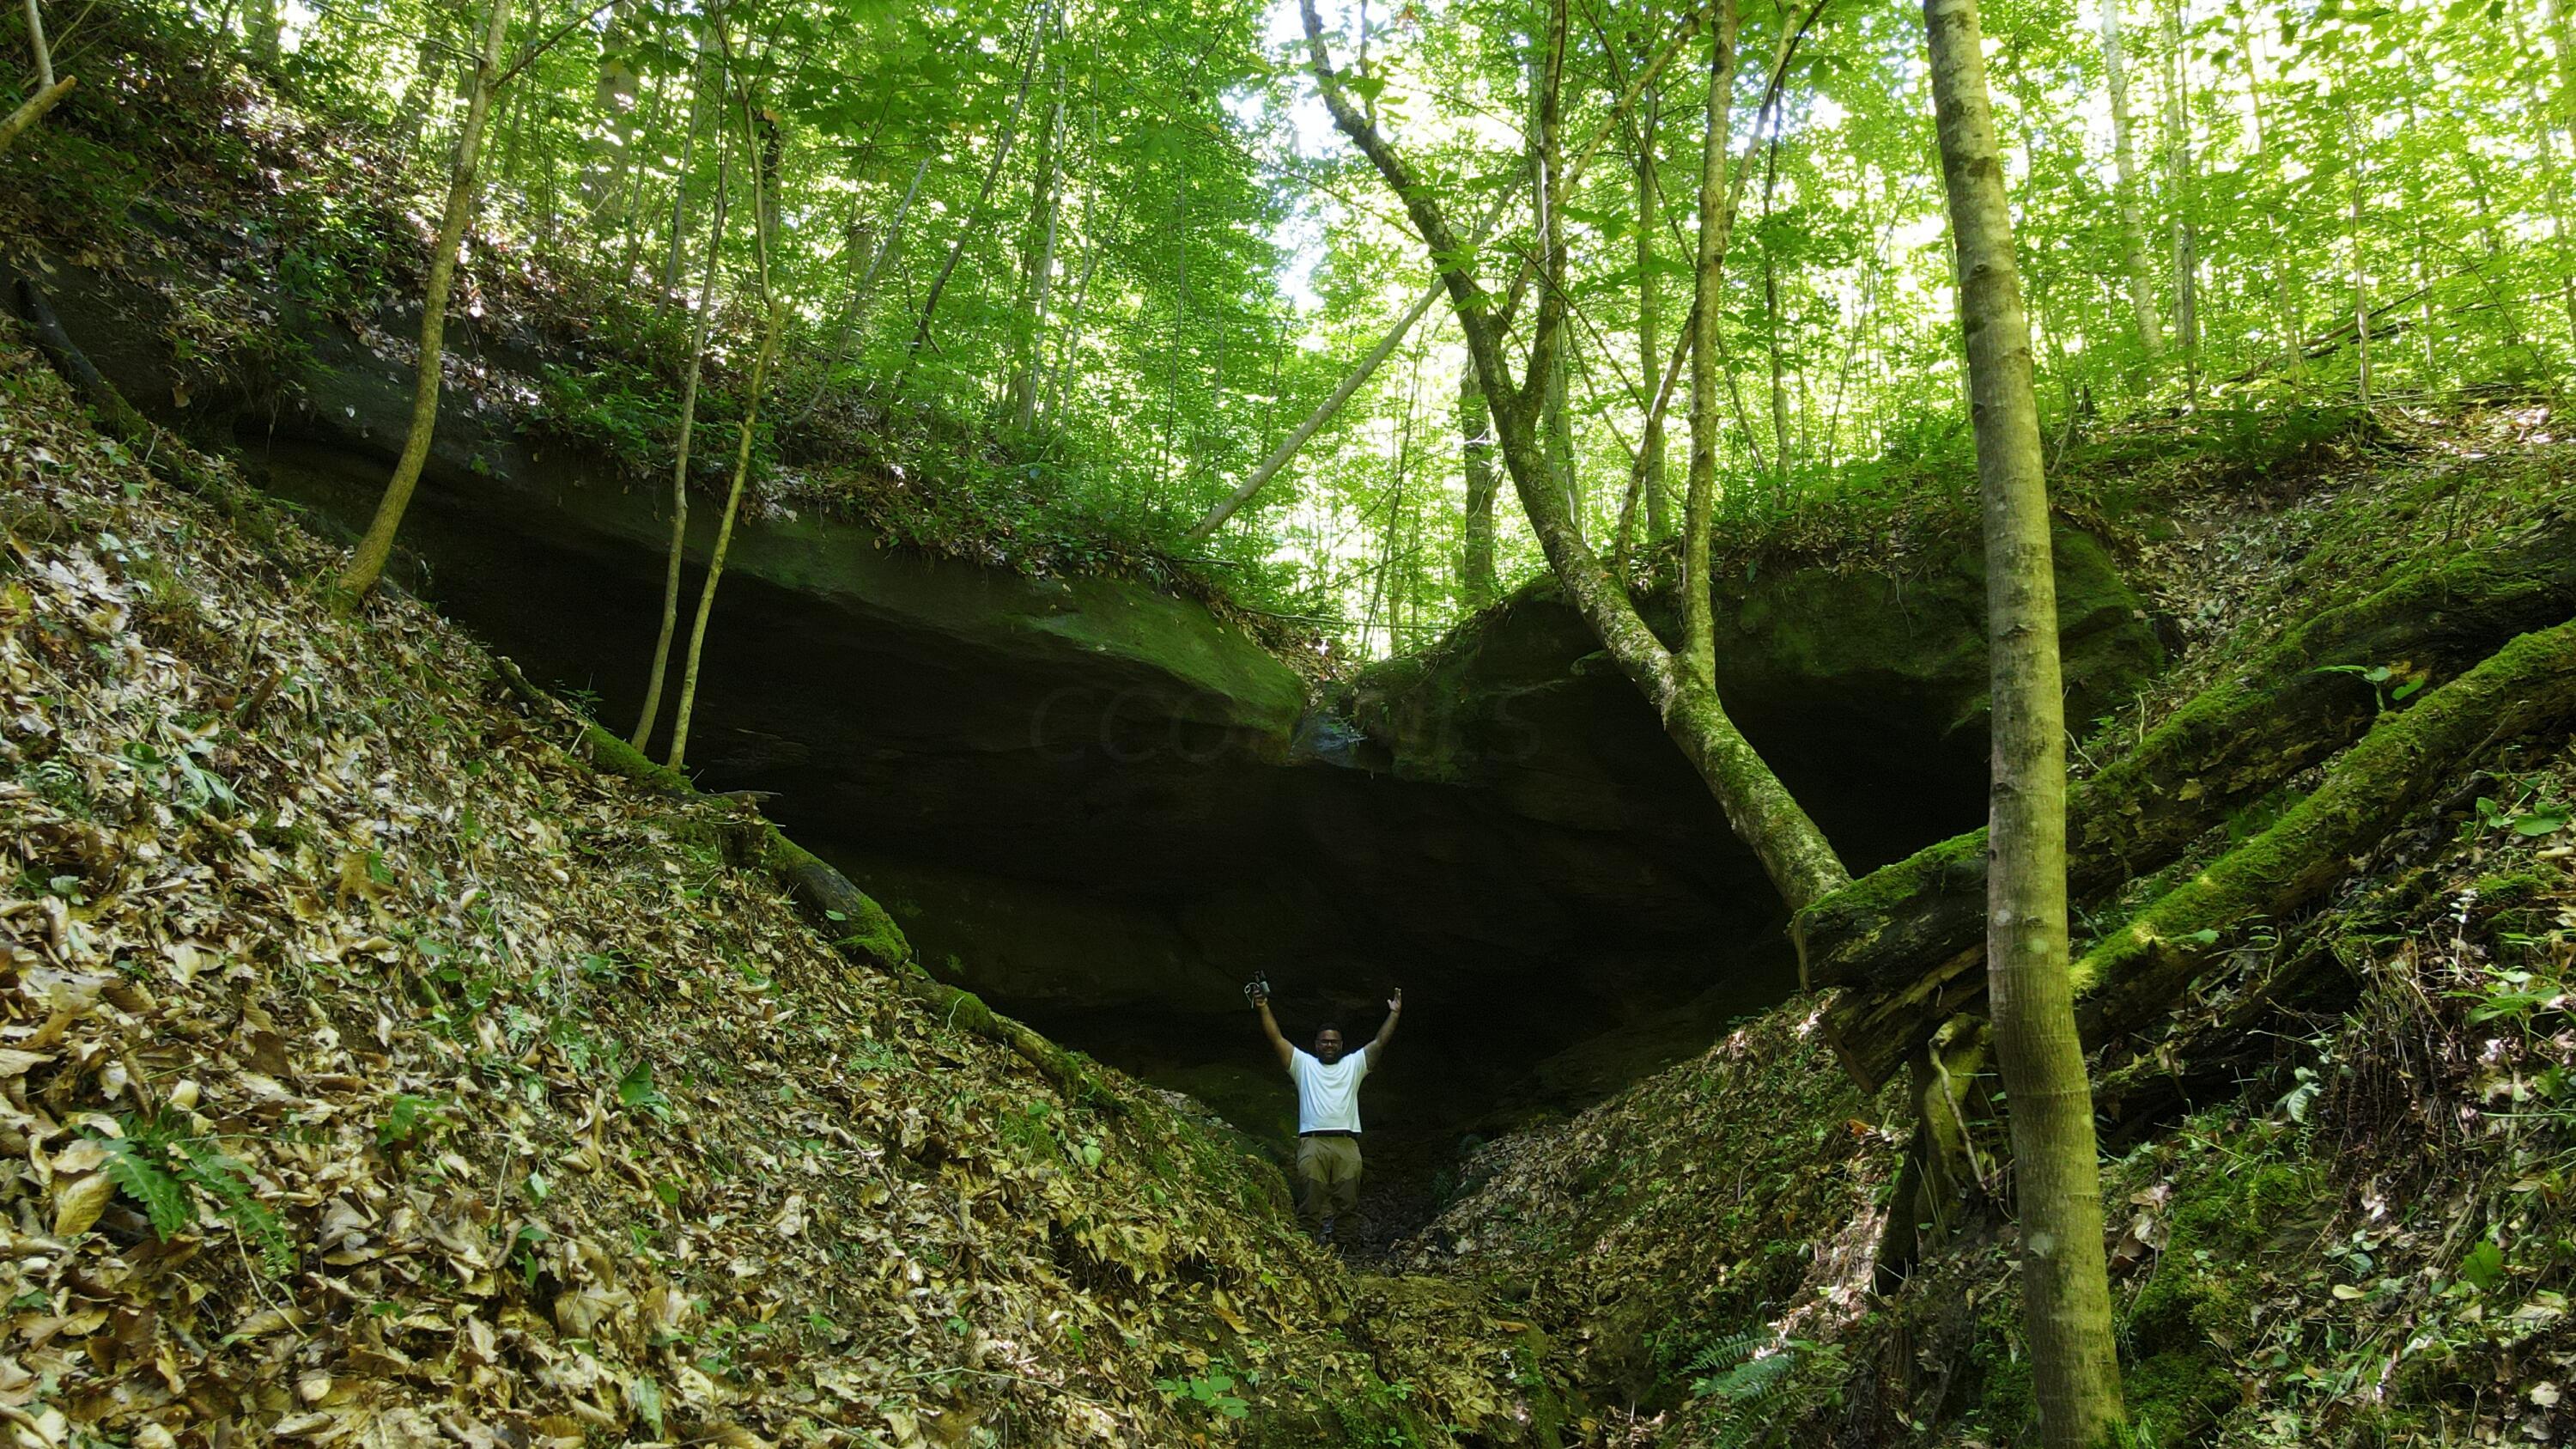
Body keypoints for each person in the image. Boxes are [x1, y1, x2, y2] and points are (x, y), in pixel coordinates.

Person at [1251, 983, 1401, 1243]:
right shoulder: (1303, 1065)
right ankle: (1306, 1249)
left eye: (1333, 1042)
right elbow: (1276, 1038)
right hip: (1313, 1142)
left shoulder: (1354, 1065)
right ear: (1316, 1044)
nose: (1329, 1045)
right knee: (1310, 1200)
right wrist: (1263, 1007)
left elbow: (1379, 1043)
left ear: (1341, 1044)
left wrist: (1394, 1014)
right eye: (1324, 1042)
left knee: (1348, 1201)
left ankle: (1345, 1252)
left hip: (1346, 1143)